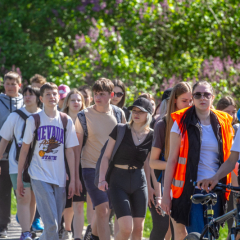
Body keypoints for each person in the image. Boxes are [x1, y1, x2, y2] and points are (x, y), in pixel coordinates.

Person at [161, 81, 234, 240]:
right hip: (190, 189)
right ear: (192, 98)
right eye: (198, 95)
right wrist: (166, 194)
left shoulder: (222, 123)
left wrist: (216, 179)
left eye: (206, 94)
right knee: (198, 235)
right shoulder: (181, 122)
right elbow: (172, 160)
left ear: (212, 98)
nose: (202, 98)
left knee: (211, 236)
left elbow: (229, 159)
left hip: (215, 188)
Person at [17, 82, 79, 240]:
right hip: (39, 175)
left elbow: (70, 151)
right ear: (41, 99)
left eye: (54, 94)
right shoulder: (34, 120)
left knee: (55, 224)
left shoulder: (66, 121)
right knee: (52, 225)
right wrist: (19, 178)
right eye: (48, 95)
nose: (52, 97)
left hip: (59, 178)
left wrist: (72, 179)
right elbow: (24, 150)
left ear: (59, 97)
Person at [74, 78, 126, 240]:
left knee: (110, 210)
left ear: (111, 95)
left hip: (114, 169)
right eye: (95, 94)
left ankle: (92, 234)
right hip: (91, 168)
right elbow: (77, 149)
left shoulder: (119, 114)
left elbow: (124, 143)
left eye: (102, 94)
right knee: (103, 210)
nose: (97, 97)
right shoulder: (83, 116)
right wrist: (75, 176)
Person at [98, 97, 153, 240]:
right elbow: (106, 157)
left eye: (140, 112)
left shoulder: (152, 135)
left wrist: (154, 190)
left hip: (139, 182)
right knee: (127, 228)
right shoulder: (120, 129)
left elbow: (149, 165)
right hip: (118, 181)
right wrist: (102, 179)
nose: (136, 114)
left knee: (139, 229)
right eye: (134, 111)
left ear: (148, 115)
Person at [149, 83, 192, 240]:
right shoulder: (163, 124)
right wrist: (176, 165)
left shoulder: (197, 121)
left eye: (191, 100)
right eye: (184, 101)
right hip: (174, 184)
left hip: (196, 182)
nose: (189, 105)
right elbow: (153, 162)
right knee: (179, 232)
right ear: (174, 100)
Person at [0, 86, 41, 240]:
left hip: (39, 164)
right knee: (24, 197)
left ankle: (28, 229)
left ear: (38, 98)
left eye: (31, 94)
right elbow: (4, 140)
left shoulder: (43, 116)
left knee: (33, 198)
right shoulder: (15, 116)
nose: (27, 97)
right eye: (25, 94)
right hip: (16, 163)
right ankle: (25, 233)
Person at [0, 71, 24, 238]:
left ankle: (26, 225)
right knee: (3, 192)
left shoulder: (26, 101)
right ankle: (3, 225)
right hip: (2, 154)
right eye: (7, 83)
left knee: (23, 191)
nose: (10, 87)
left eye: (13, 84)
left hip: (22, 154)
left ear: (19, 85)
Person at [61, 89, 86, 240]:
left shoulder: (87, 120)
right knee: (66, 204)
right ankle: (65, 229)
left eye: (79, 100)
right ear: (67, 103)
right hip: (62, 165)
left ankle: (76, 236)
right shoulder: (61, 119)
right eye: (73, 100)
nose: (76, 103)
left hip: (83, 166)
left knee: (78, 203)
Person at [216, 96, 238, 234]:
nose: (231, 115)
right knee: (225, 223)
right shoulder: (216, 129)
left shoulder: (237, 129)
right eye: (227, 111)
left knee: (235, 225)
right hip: (222, 181)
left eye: (233, 111)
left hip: (235, 182)